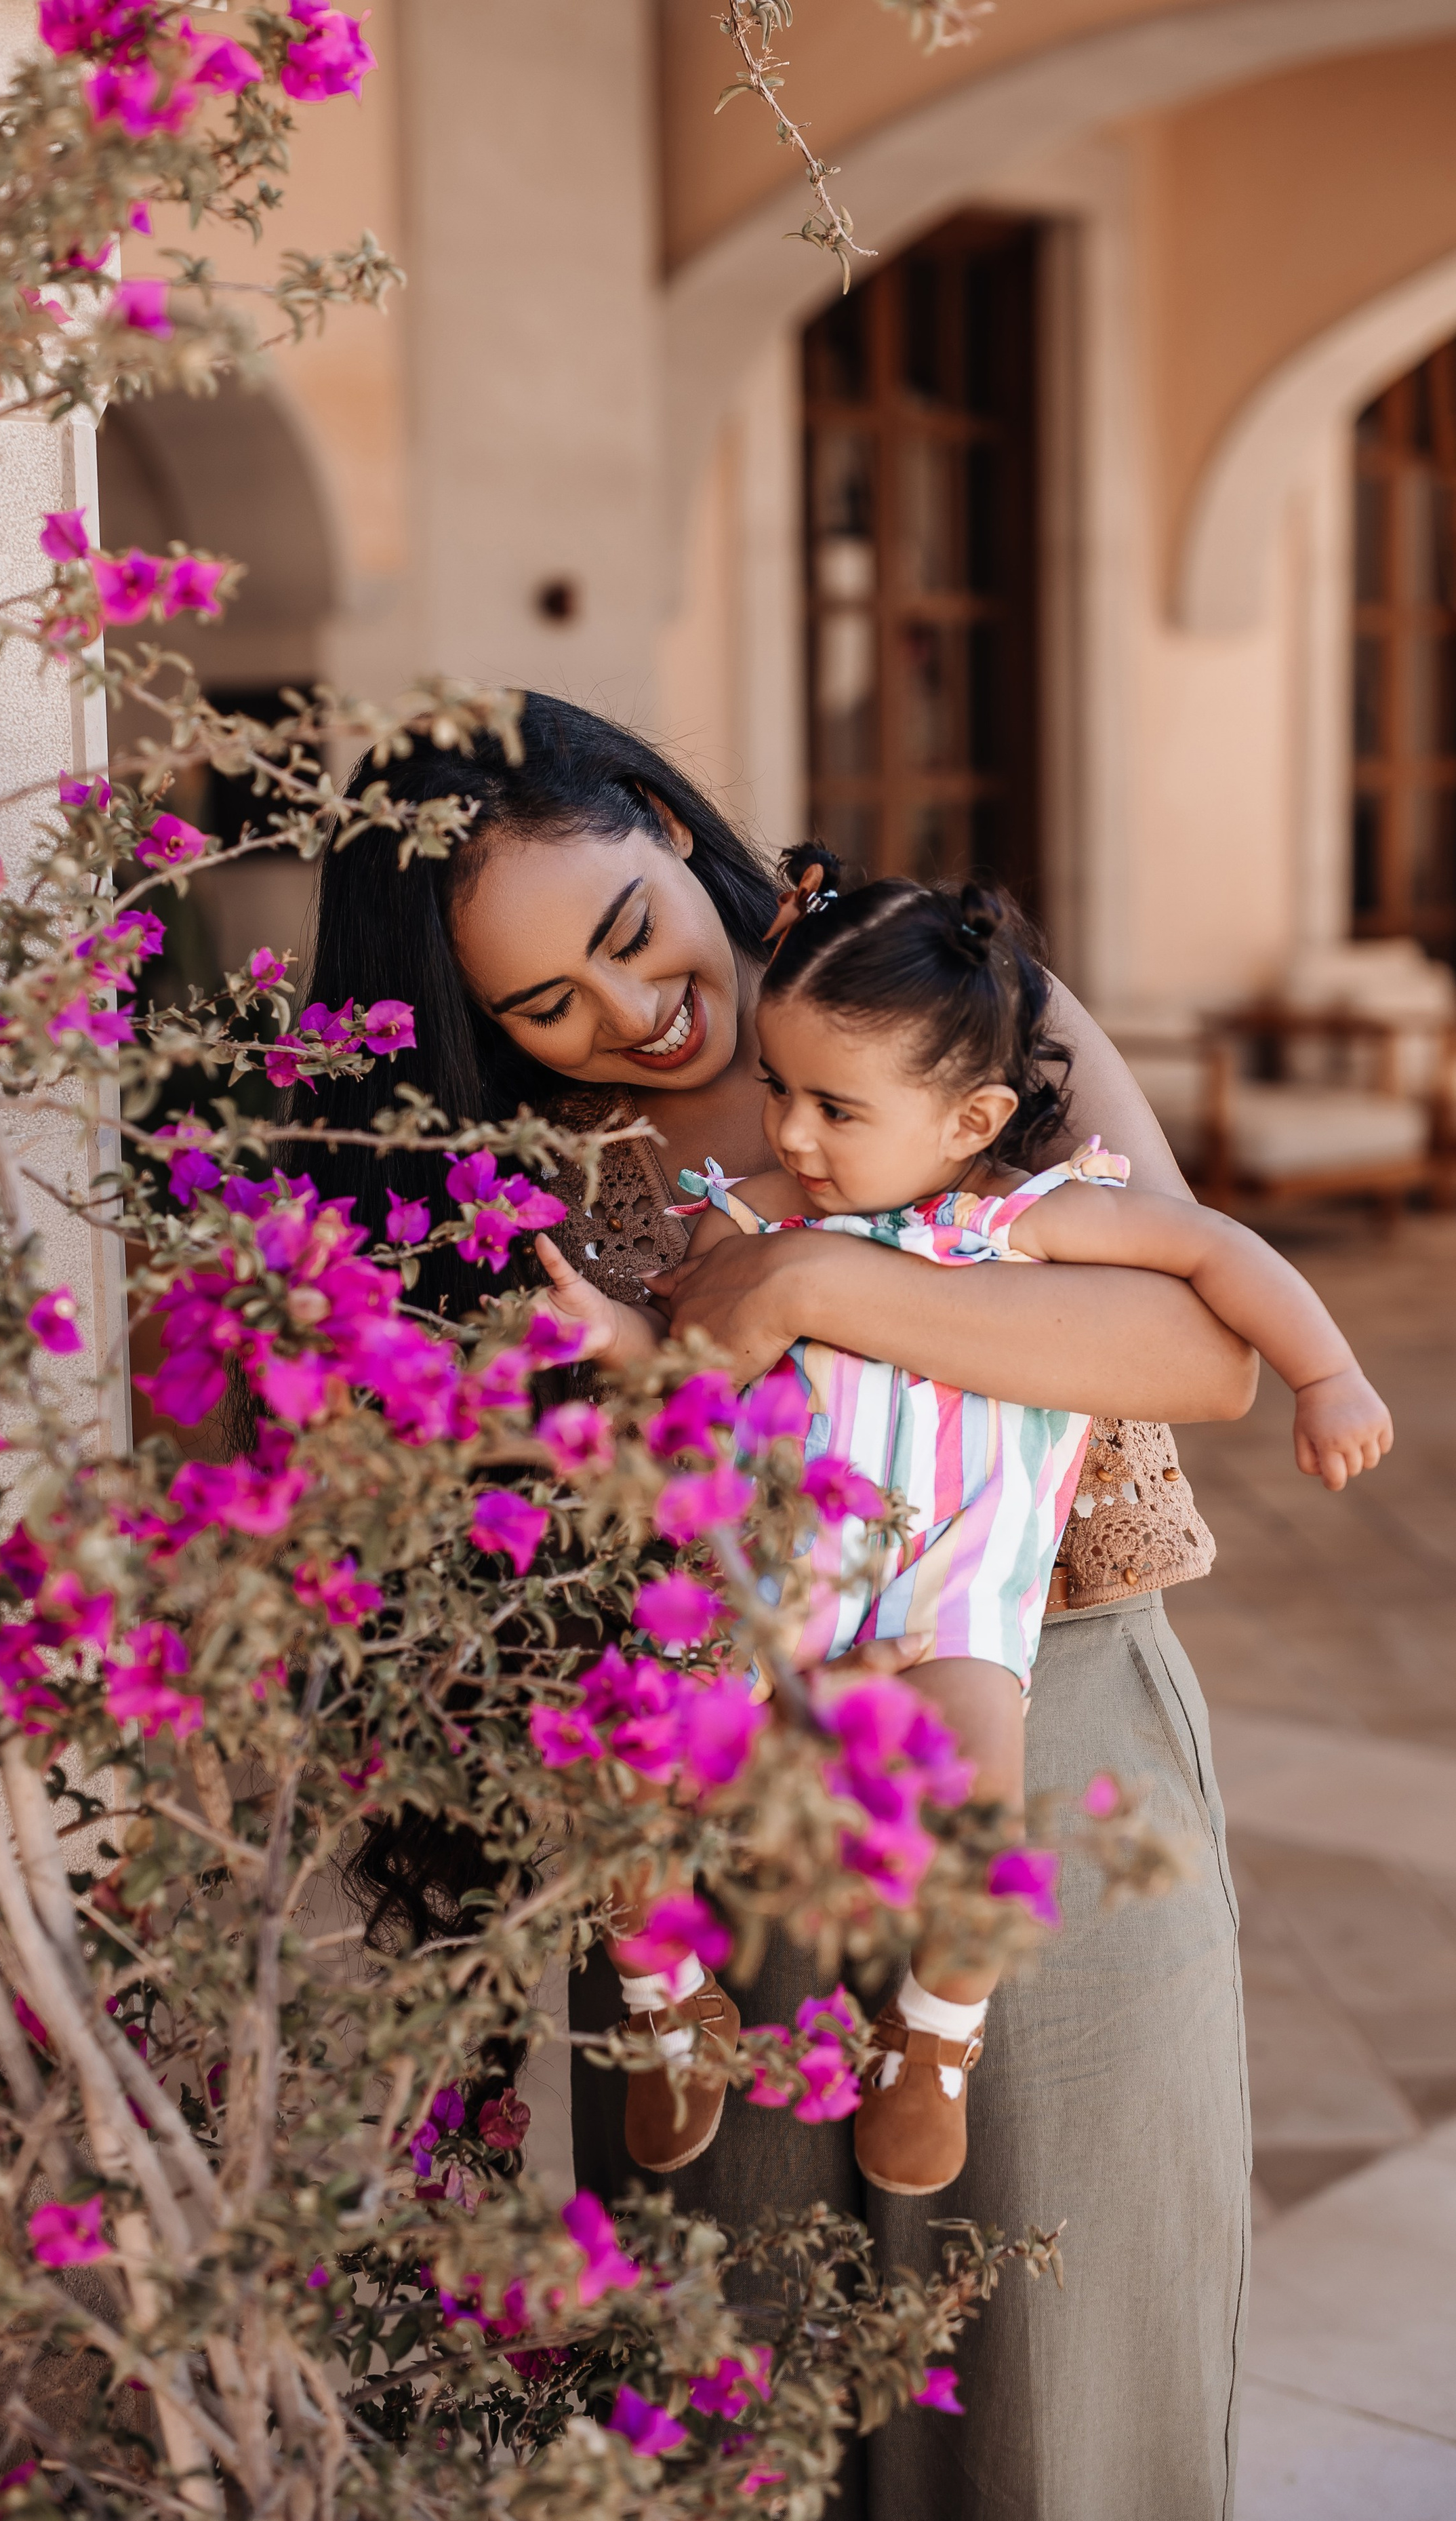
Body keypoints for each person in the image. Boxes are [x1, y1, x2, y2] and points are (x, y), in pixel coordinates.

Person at [311, 694, 1257, 2521]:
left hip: (1043, 1729)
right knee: (753, 2416)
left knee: (1070, 2383)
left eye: (631, 930)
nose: (630, 1016)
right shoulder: (523, 1186)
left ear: (673, 821)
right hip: (716, 1785)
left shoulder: (945, 1010)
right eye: (543, 1007)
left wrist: (824, 1275)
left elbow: (1193, 1344)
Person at [533, 866, 1389, 2204]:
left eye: (834, 1106)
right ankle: (667, 2011)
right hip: (766, 1587)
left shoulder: (1026, 1220)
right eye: (778, 1089)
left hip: (952, 1601)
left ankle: (931, 2041)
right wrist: (617, 1340)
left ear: (970, 1114)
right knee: (623, 1774)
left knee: (984, 1819)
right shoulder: (751, 1213)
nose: (793, 1131)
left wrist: (1325, 1372)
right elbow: (679, 1366)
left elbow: (1217, 1254)